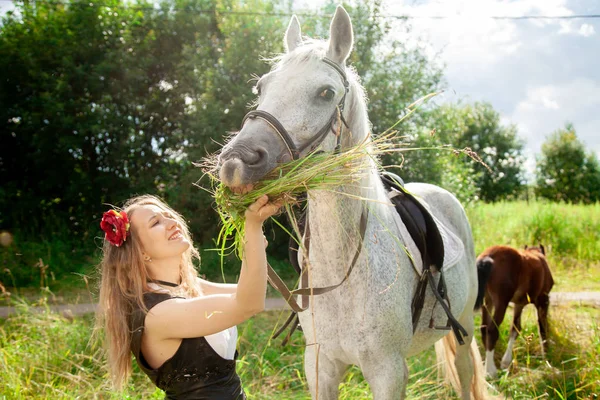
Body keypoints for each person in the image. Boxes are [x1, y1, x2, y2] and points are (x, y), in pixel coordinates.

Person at [95, 194, 281, 399]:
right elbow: (249, 304)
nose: (172, 222)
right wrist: (252, 228)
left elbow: (250, 291)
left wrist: (254, 238)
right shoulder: (159, 313)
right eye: (156, 222)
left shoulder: (186, 287)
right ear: (140, 252)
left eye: (168, 216)